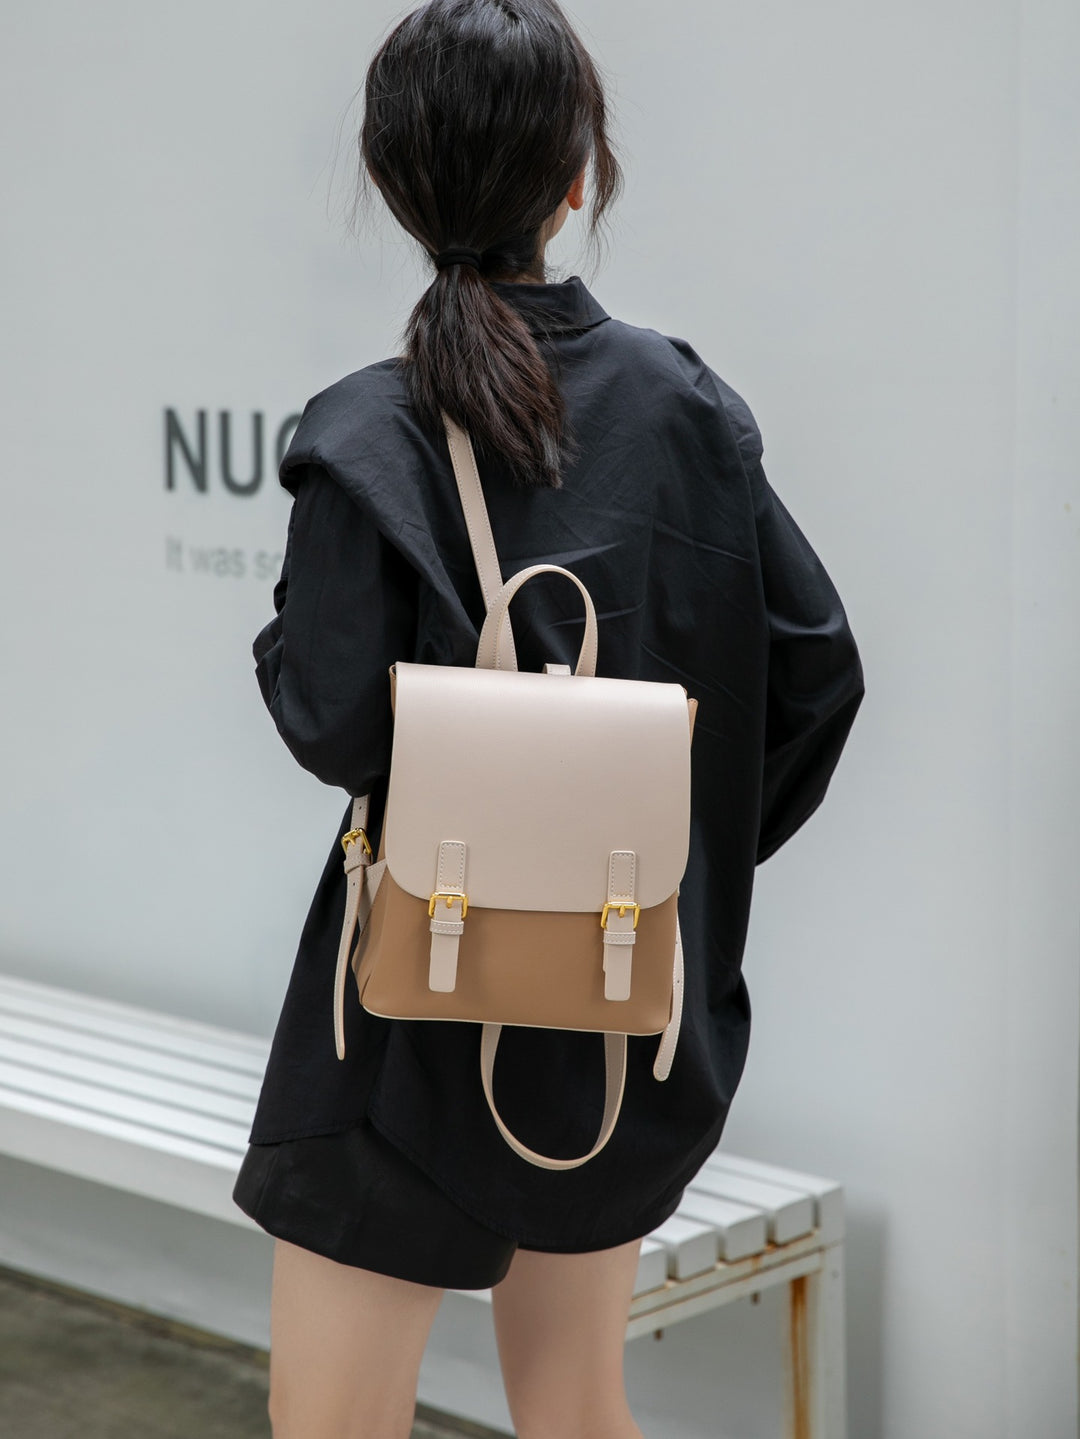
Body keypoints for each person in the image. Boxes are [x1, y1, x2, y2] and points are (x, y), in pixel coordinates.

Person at [231, 1, 865, 1435]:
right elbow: (814, 672)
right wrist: (660, 858)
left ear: (394, 181)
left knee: (331, 1426)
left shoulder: (365, 431)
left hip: (408, 1007)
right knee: (577, 1403)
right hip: (619, 1000)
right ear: (577, 179)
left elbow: (330, 722)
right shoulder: (685, 406)